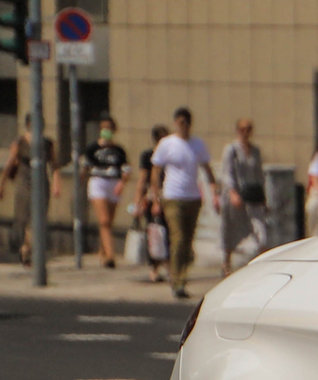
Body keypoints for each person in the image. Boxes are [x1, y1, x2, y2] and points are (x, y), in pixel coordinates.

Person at [151, 107, 219, 299]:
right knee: (178, 239)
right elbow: (155, 170)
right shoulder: (167, 144)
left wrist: (214, 190)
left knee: (188, 243)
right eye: (180, 122)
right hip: (173, 197)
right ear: (175, 123)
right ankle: (177, 281)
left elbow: (207, 168)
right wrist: (155, 196)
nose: (183, 126)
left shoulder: (197, 144)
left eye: (186, 123)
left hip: (193, 198)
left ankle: (182, 274)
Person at [0, 117, 61, 266]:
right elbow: (10, 163)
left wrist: (56, 184)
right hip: (23, 182)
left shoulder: (47, 143)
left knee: (36, 219)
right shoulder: (19, 142)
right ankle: (26, 247)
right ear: (28, 125)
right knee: (23, 217)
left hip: (41, 183)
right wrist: (1, 185)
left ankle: (26, 250)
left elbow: (54, 165)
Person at [220, 119, 268, 273]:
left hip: (253, 196)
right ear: (237, 130)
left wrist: (263, 197)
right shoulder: (231, 150)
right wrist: (232, 193)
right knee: (231, 229)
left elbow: (259, 174)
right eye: (242, 129)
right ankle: (226, 262)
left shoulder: (255, 151)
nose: (246, 132)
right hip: (235, 196)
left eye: (249, 129)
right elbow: (226, 173)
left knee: (260, 229)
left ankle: (262, 263)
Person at [84, 115, 130, 269]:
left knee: (108, 222)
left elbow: (126, 170)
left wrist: (122, 183)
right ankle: (111, 255)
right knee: (104, 221)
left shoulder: (119, 150)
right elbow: (84, 168)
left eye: (109, 128)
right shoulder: (93, 148)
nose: (106, 131)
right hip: (98, 182)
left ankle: (102, 252)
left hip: (113, 184)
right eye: (104, 128)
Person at [135, 124, 167, 283]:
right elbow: (142, 179)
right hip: (151, 198)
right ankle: (154, 268)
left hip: (169, 197)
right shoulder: (148, 155)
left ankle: (168, 266)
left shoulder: (170, 155)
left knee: (169, 233)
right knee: (154, 233)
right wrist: (138, 202)